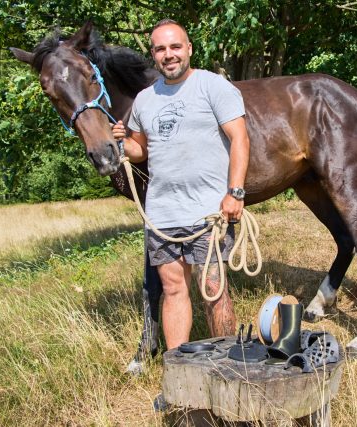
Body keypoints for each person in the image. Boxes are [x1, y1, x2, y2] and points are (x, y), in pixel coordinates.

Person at [111, 19, 250, 350]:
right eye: (160, 49)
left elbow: (240, 139)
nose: (168, 55)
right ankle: (178, 371)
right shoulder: (144, 100)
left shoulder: (213, 87)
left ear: (188, 49)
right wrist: (120, 141)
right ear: (153, 55)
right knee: (173, 291)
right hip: (162, 215)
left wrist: (236, 193)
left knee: (213, 289)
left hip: (208, 214)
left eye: (175, 47)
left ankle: (227, 366)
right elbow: (141, 150)